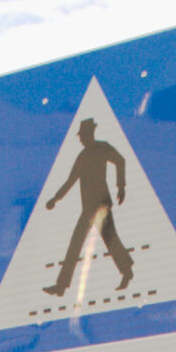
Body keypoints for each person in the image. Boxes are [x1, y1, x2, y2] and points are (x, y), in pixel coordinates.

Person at [42, 118, 134, 296]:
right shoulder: (82, 156)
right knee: (77, 243)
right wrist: (55, 199)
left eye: (82, 135)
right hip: (88, 208)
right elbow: (70, 181)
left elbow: (120, 161)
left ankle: (127, 272)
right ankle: (61, 286)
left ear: (89, 133)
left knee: (110, 239)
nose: (81, 139)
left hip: (101, 206)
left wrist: (121, 187)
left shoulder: (102, 148)